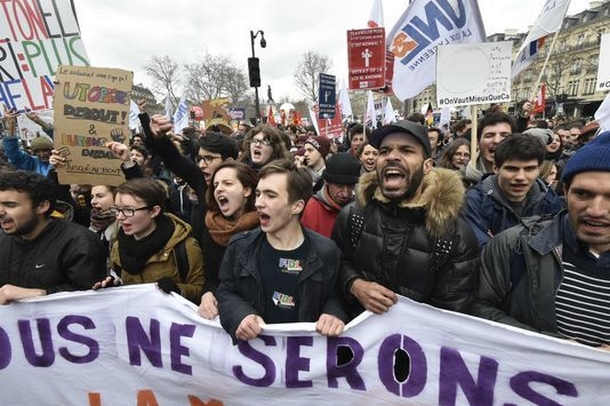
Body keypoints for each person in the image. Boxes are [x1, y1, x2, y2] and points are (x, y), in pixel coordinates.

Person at [470, 131, 610, 347]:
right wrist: (556, 349)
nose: (596, 210)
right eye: (583, 194)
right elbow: (477, 307)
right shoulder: (512, 245)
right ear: (566, 190)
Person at [332, 120, 479, 318]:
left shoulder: (453, 235)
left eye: (406, 150)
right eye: (384, 151)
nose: (392, 156)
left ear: (427, 166)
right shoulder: (353, 216)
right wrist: (354, 284)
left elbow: (452, 315)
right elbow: (336, 264)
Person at [217, 160, 347, 342]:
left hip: (305, 361)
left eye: (270, 195)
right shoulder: (240, 247)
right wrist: (240, 314)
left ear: (297, 206)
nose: (258, 203)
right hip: (256, 359)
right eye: (258, 194)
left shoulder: (326, 251)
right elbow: (225, 291)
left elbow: (337, 295)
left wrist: (333, 314)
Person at [0, 170, 106, 304]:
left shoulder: (79, 243)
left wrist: (42, 294)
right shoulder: (3, 240)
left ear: (42, 206)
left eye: (10, 205)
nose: (1, 212)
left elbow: (91, 298)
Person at [103, 177, 205, 304]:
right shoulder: (117, 246)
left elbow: (200, 291)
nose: (120, 217)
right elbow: (119, 279)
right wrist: (112, 287)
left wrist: (177, 290)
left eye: (129, 210)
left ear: (154, 211)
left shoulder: (184, 247)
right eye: (117, 210)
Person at [461, 134, 564, 247]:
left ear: (538, 169)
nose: (520, 177)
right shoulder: (475, 202)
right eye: (512, 169)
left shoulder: (550, 200)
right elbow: (481, 251)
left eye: (529, 169)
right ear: (496, 168)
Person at [198, 160, 260, 319]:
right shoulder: (211, 228)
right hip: (226, 313)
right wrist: (207, 294)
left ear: (246, 190)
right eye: (216, 185)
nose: (219, 189)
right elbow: (211, 277)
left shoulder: (266, 226)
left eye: (227, 183)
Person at [301, 152, 361, 238]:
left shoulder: (361, 208)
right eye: (339, 186)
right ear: (326, 182)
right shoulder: (312, 209)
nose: (345, 193)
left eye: (350, 186)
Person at [463, 112, 516, 186]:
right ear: (477, 142)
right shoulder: (459, 181)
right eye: (489, 135)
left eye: (504, 135)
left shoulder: (527, 178)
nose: (497, 140)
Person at [2, 108, 54, 177]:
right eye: (37, 151)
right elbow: (12, 152)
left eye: (45, 150)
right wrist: (11, 126)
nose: (42, 155)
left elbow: (61, 140)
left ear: (52, 150)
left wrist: (39, 121)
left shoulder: (61, 160)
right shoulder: (31, 163)